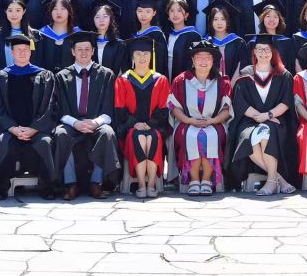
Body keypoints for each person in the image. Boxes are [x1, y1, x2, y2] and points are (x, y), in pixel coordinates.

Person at [0, 34, 59, 199]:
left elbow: (50, 106)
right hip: (9, 129)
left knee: (44, 142)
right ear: (12, 52)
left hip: (36, 130)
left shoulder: (45, 76)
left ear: (30, 52)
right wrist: (12, 128)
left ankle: (47, 188)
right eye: (18, 49)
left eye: (26, 49)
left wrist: (34, 128)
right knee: (0, 142)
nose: (22, 52)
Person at [52, 32, 119, 199]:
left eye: (87, 49)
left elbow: (109, 108)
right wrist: (75, 123)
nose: (84, 53)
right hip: (71, 122)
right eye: (79, 49)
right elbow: (59, 109)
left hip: (96, 122)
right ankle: (70, 184)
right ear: (73, 52)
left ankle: (96, 183)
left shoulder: (106, 74)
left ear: (93, 51)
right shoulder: (61, 76)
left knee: (107, 133)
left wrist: (95, 123)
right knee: (61, 134)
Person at [230, 36, 294, 195]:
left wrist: (268, 115)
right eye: (259, 49)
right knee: (248, 139)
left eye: (267, 50)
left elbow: (286, 102)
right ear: (254, 52)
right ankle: (279, 180)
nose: (263, 53)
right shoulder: (246, 74)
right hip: (250, 120)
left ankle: (271, 182)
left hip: (275, 119)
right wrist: (259, 116)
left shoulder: (283, 75)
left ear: (273, 52)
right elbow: (240, 103)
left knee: (265, 133)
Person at [170, 40, 233, 196]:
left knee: (209, 136)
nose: (203, 61)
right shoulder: (181, 80)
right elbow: (174, 107)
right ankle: (193, 180)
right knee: (191, 136)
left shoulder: (222, 81)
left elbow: (226, 110)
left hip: (214, 122)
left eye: (207, 57)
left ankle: (206, 180)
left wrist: (212, 121)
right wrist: (188, 120)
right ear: (192, 60)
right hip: (187, 122)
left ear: (213, 60)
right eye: (199, 57)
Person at [113, 40, 172, 197]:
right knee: (139, 137)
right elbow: (120, 110)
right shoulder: (123, 80)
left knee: (151, 137)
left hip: (155, 127)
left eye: (146, 54)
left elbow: (163, 108)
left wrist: (150, 124)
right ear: (132, 57)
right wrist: (135, 124)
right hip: (130, 128)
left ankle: (151, 185)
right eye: (138, 54)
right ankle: (141, 185)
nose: (142, 57)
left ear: (151, 56)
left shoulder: (160, 80)